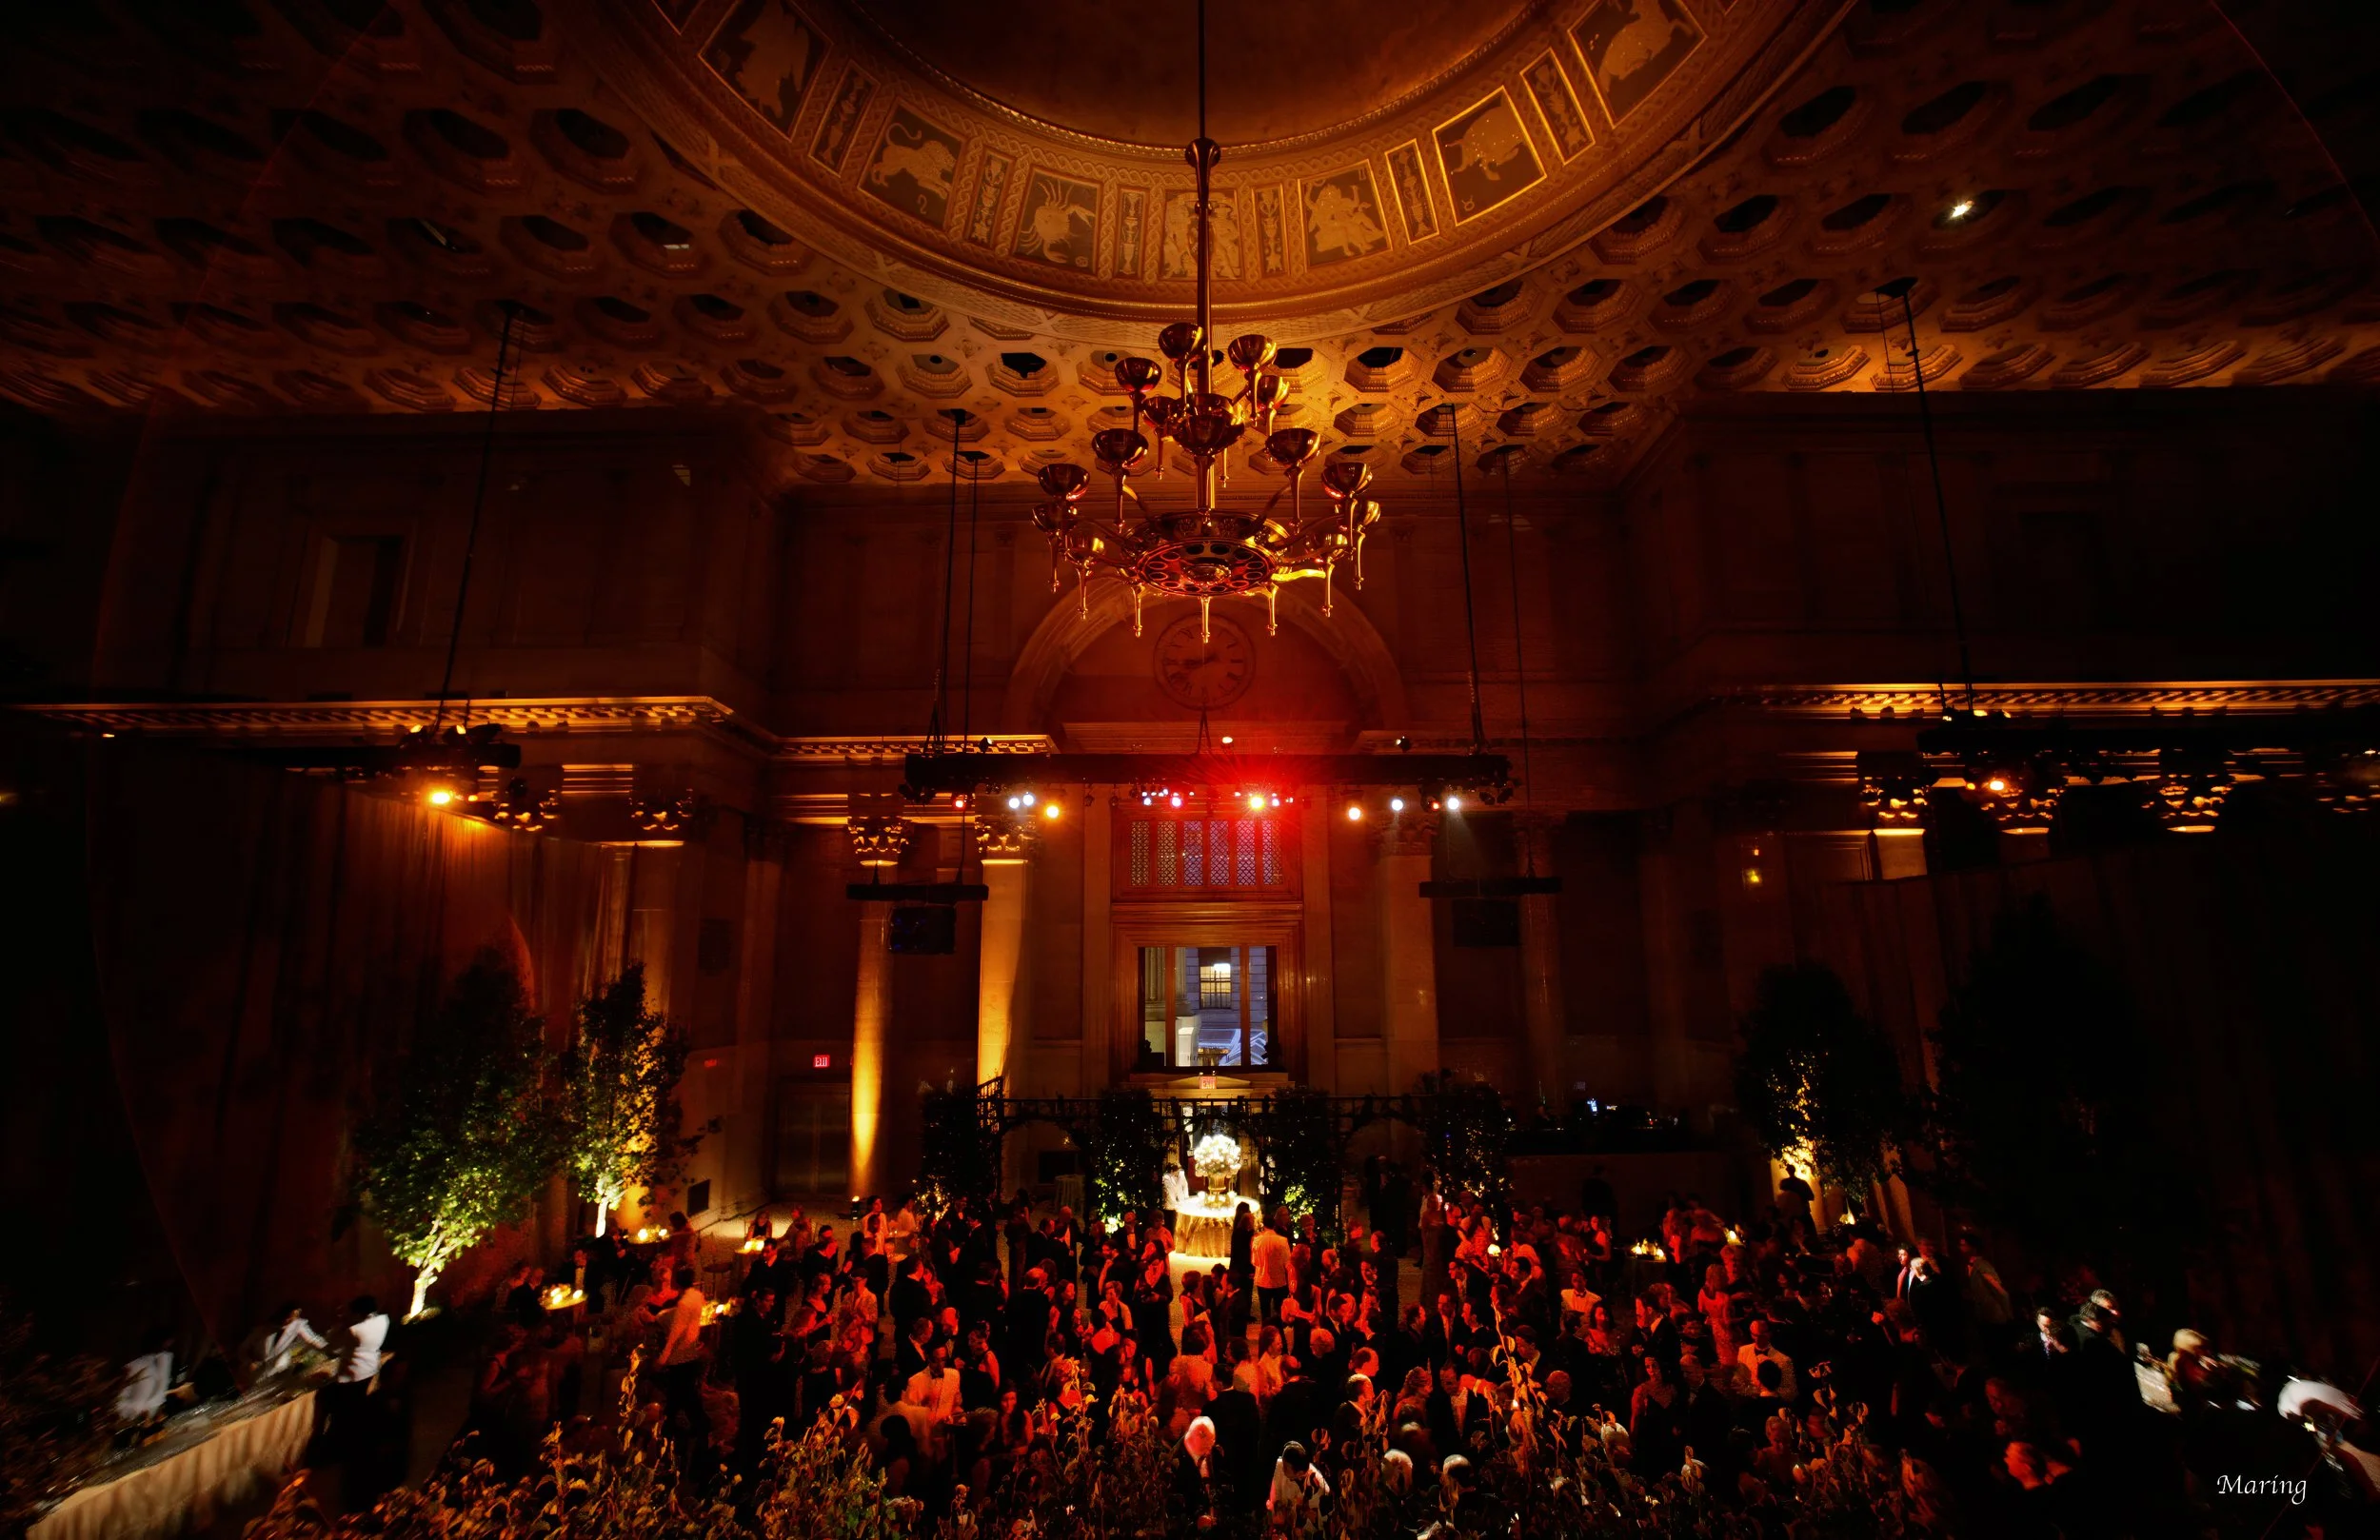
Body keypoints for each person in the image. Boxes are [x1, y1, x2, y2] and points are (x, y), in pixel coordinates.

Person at [654, 1264, 711, 1482]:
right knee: (681, 1397)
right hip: (690, 1355)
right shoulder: (697, 1297)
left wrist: (662, 1359)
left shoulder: (685, 1303)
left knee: (682, 1398)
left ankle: (681, 1438)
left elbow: (675, 1333)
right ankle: (674, 1434)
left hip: (680, 1358)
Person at [1171, 1414, 1221, 1533]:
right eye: (1209, 1443)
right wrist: (1196, 1518)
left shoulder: (1213, 1455)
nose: (1210, 1448)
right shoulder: (1176, 1462)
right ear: (1199, 1435)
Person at [1266, 1440, 1330, 1531]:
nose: (1282, 1469)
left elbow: (1319, 1519)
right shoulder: (1284, 1468)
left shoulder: (1316, 1484)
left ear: (1299, 1473)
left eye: (1286, 1468)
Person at [253, 1301, 327, 1378]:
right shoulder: (271, 1327)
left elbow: (313, 1339)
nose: (295, 1315)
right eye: (294, 1313)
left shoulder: (298, 1324)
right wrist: (257, 1363)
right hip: (264, 1372)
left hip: (283, 1369)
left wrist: (326, 1347)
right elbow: (264, 1352)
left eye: (297, 1313)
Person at [1252, 1212, 1293, 1326]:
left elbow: (1255, 1261)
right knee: (1279, 1310)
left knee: (1264, 1311)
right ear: (1274, 1225)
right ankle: (1279, 1333)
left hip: (1262, 1279)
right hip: (1279, 1280)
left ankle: (1265, 1332)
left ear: (1263, 1225)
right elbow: (1287, 1262)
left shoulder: (1257, 1241)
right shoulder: (1282, 1241)